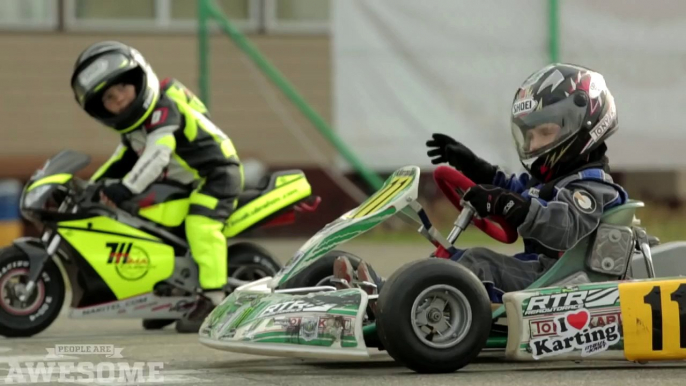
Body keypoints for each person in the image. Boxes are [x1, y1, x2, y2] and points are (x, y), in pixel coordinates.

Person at [333, 63, 628, 304]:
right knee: (453, 259)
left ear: (584, 126)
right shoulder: (555, 181)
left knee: (478, 264)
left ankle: (392, 301)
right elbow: (517, 191)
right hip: (541, 272)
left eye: (545, 133)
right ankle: (385, 292)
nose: (535, 143)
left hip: (567, 285)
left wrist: (507, 204)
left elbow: (562, 227)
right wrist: (475, 168)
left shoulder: (595, 187)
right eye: (530, 135)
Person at [70, 41, 243, 332]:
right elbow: (119, 161)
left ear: (138, 81)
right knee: (150, 226)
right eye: (110, 98)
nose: (120, 100)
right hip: (186, 182)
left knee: (201, 225)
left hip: (217, 175)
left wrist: (125, 189)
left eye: (122, 88)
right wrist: (90, 188)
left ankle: (214, 300)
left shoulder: (163, 110)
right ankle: (172, 298)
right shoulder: (134, 130)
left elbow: (157, 154)